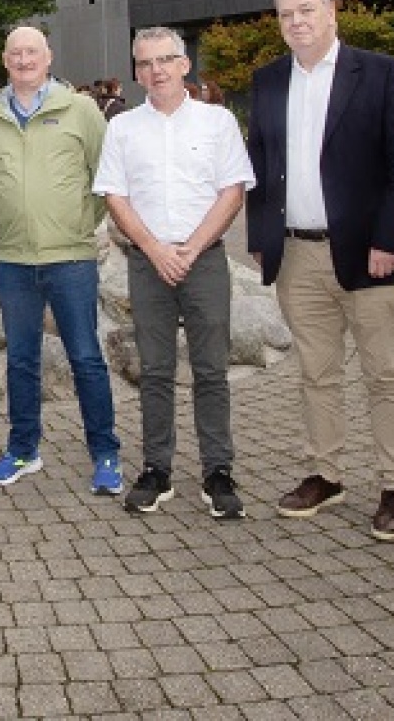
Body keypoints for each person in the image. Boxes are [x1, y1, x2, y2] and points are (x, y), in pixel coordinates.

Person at [247, 0, 394, 540]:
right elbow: (259, 167)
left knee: (385, 373)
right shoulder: (267, 79)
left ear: (331, 11)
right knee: (316, 374)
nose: (296, 23)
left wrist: (390, 241)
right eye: (286, 15)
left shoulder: (380, 74)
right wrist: (258, 236)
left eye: (305, 11)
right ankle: (327, 472)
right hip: (297, 255)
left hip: (371, 256)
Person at [94, 27, 255, 519]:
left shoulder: (217, 122)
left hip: (203, 259)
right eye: (145, 63)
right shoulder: (122, 128)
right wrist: (155, 249)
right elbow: (114, 196)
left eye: (165, 60)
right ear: (137, 71)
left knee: (211, 369)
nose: (155, 70)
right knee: (156, 371)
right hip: (147, 262)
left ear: (185, 65)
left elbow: (232, 191)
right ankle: (156, 469)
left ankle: (218, 472)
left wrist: (191, 248)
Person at [0, 25, 122, 494]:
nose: (23, 59)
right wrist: (17, 218)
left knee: (86, 357)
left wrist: (76, 223)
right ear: (5, 60)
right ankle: (23, 449)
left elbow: (104, 174)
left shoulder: (80, 110)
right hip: (14, 260)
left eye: (32, 51)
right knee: (21, 360)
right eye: (15, 53)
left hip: (71, 258)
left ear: (49, 57)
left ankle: (106, 453)